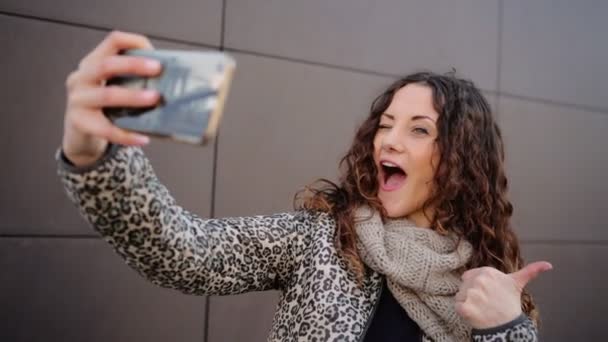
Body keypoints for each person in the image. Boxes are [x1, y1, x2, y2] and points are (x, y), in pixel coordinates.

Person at [57, 31, 551, 342]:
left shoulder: (490, 293)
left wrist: (507, 331)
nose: (389, 140)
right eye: (386, 123)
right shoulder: (326, 239)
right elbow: (185, 253)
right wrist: (94, 156)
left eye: (418, 129)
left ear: (461, 161)